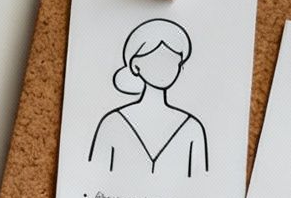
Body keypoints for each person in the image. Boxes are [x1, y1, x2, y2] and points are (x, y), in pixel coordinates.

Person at [88, 18, 210, 178]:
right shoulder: (112, 123)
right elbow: (90, 180)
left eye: (176, 61)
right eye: (159, 58)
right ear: (135, 66)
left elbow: (201, 184)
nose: (169, 67)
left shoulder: (193, 128)